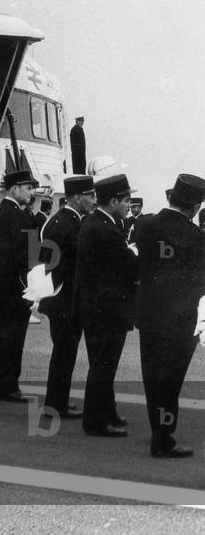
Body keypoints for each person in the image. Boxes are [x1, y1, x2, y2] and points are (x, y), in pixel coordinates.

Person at [134, 174, 205, 457]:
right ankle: (163, 440)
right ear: (195, 207)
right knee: (171, 381)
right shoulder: (196, 238)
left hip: (149, 314)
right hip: (179, 320)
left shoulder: (144, 224)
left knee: (152, 376)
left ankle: (157, 430)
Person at [74, 173, 139, 437]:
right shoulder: (105, 229)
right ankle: (95, 422)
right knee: (103, 367)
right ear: (113, 201)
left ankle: (107, 411)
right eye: (126, 200)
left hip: (96, 309)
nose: (129, 206)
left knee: (102, 366)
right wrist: (136, 253)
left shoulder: (96, 223)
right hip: (106, 311)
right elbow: (128, 267)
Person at [40, 175, 96, 419]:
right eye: (90, 196)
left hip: (55, 296)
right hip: (65, 298)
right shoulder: (71, 225)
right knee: (64, 352)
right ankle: (55, 405)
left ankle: (57, 401)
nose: (94, 200)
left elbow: (40, 259)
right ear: (76, 197)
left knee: (63, 352)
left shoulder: (53, 221)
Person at [0, 169, 38, 401]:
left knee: (2, 334)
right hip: (17, 284)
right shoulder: (18, 216)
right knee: (14, 336)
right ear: (14, 188)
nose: (32, 192)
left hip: (0, 282)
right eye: (28, 188)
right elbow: (29, 253)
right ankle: (9, 385)